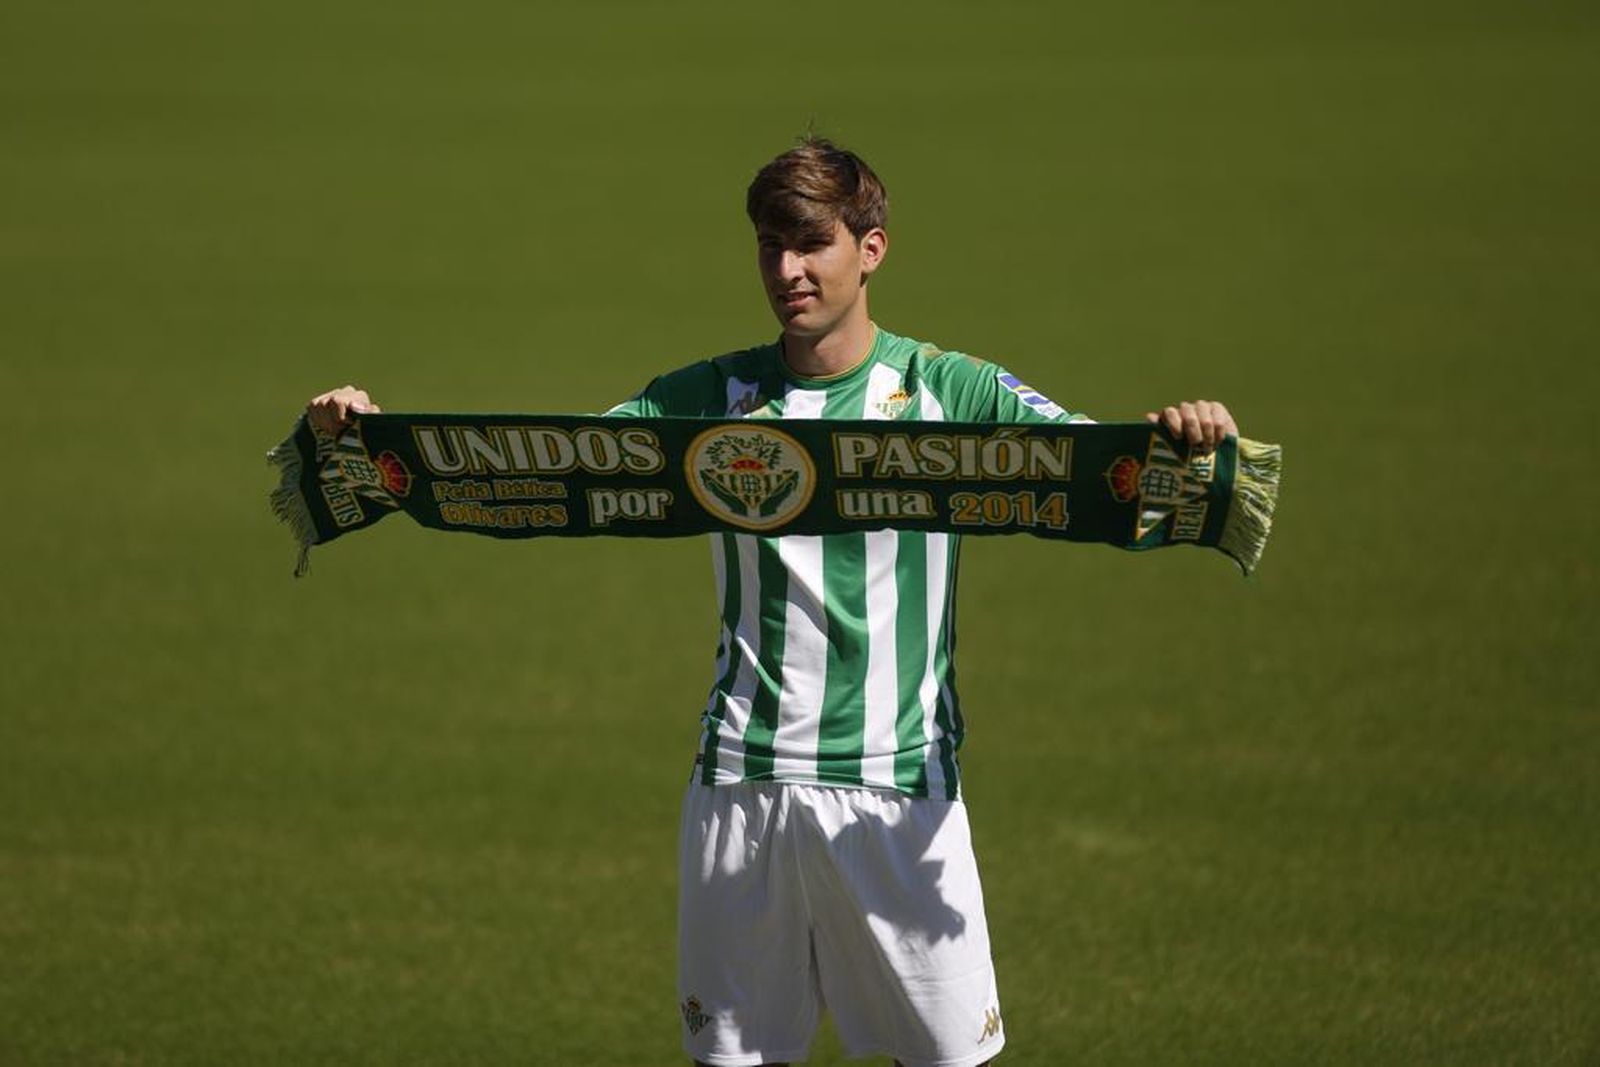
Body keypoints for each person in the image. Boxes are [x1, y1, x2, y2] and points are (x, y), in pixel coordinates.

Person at [308, 137, 1237, 1067]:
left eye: (812, 245)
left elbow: (1091, 465)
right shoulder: (715, 396)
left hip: (897, 789)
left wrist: (1192, 440)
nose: (787, 270)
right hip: (740, 786)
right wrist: (370, 437)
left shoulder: (947, 390)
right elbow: (558, 469)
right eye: (768, 246)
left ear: (870, 248)